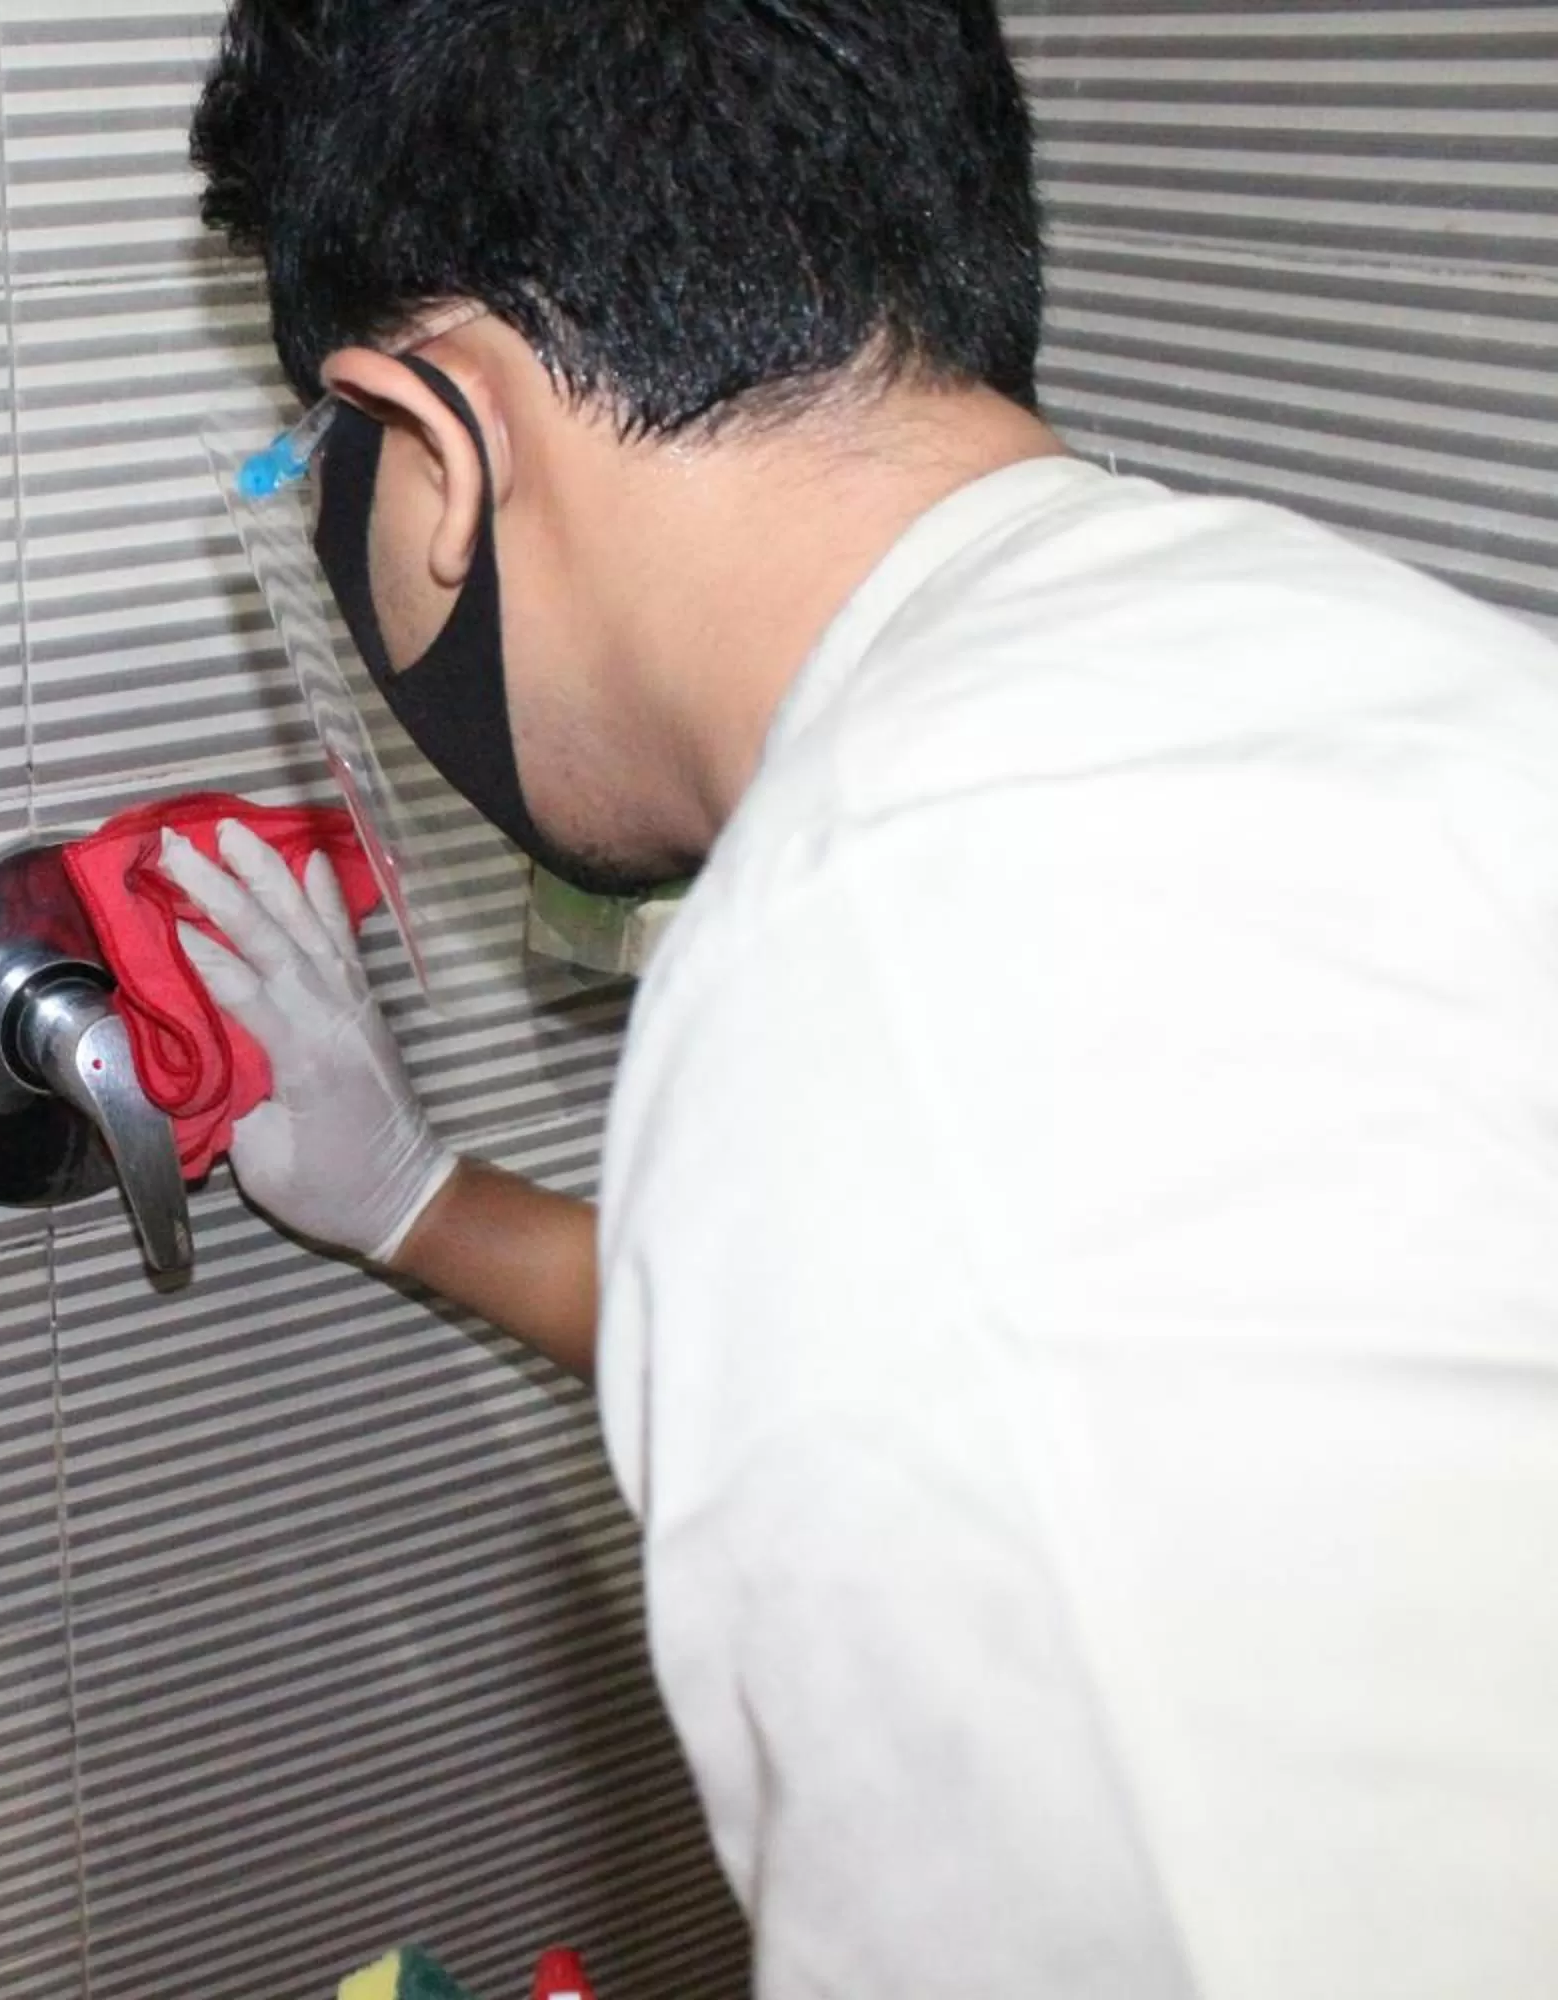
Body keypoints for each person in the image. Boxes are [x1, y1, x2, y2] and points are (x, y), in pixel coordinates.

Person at [165, 1, 1558, 1994]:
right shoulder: (1379, 654)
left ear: (445, 443)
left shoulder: (863, 989)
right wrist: (417, 1199)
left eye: (332, 460)